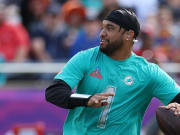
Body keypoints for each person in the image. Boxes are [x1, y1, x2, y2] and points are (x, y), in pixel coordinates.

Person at [45, 8, 180, 135]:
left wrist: (177, 106)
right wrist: (87, 99)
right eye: (103, 27)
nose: (102, 33)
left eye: (110, 28)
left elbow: (177, 98)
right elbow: (54, 92)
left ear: (128, 35)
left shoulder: (148, 72)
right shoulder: (86, 58)